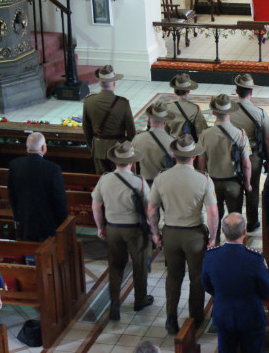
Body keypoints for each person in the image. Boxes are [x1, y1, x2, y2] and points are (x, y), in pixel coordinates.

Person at [147, 134, 219, 335]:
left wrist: (155, 233)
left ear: (174, 155)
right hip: (194, 234)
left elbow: (151, 210)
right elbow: (213, 213)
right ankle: (195, 317)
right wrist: (213, 236)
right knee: (196, 277)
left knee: (173, 276)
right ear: (194, 156)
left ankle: (171, 318)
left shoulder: (161, 178)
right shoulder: (204, 180)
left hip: (170, 234)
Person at [91, 141, 153, 321]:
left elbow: (96, 206)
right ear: (131, 162)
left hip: (113, 229)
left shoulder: (104, 179)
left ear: (115, 161)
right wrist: (153, 230)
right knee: (139, 265)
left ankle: (114, 304)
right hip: (134, 230)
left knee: (115, 266)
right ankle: (140, 300)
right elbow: (149, 210)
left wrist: (100, 227)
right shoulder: (139, 182)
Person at [202, 213, 269, 353]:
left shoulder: (210, 256)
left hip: (223, 315)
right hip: (250, 316)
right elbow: (265, 290)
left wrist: (221, 294)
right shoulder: (255, 259)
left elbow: (206, 284)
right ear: (244, 232)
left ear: (222, 231)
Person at [198, 94, 252, 243]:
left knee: (214, 216)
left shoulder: (205, 135)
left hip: (212, 183)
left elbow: (201, 162)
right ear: (231, 112)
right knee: (235, 220)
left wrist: (203, 182)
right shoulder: (240, 134)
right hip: (233, 183)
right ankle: (235, 245)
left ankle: (215, 243)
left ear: (213, 112)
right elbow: (246, 164)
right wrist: (247, 184)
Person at [230, 74, 269, 232]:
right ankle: (252, 222)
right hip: (253, 155)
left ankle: (234, 223)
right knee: (252, 189)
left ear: (236, 91)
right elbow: (268, 141)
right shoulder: (260, 113)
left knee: (235, 188)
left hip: (232, 156)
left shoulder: (228, 112)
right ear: (251, 92)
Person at [7, 133, 68, 242]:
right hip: (48, 223)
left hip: (25, 219)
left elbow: (12, 194)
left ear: (27, 148)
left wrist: (17, 216)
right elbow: (59, 199)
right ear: (43, 147)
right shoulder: (53, 169)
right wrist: (63, 222)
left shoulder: (15, 165)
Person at [82, 65, 136, 174]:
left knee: (103, 180)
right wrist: (128, 149)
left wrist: (93, 147)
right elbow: (131, 131)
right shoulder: (122, 103)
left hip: (99, 149)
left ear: (99, 82)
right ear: (114, 83)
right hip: (119, 150)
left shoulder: (89, 101)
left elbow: (86, 129)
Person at [131, 101, 176, 186]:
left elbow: (131, 165)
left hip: (142, 185)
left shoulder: (137, 139)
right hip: (163, 185)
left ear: (149, 119)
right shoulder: (172, 142)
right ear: (165, 122)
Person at [165, 73, 208, 139]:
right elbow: (201, 132)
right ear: (188, 91)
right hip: (188, 143)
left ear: (175, 90)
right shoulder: (195, 109)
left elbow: (164, 130)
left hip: (171, 142)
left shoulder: (167, 107)